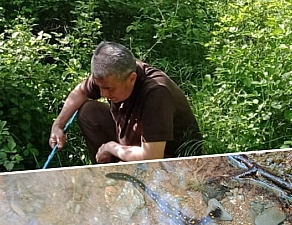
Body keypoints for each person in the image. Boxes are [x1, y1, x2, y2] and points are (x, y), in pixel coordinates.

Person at [49, 41, 202, 163]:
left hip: (169, 158)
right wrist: (58, 125)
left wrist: (111, 147)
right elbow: (81, 91)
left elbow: (152, 157)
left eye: (109, 89)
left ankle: (122, 169)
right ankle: (108, 174)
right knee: (89, 111)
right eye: (100, 88)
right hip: (134, 145)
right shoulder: (109, 74)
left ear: (132, 79)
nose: (103, 94)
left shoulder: (156, 93)